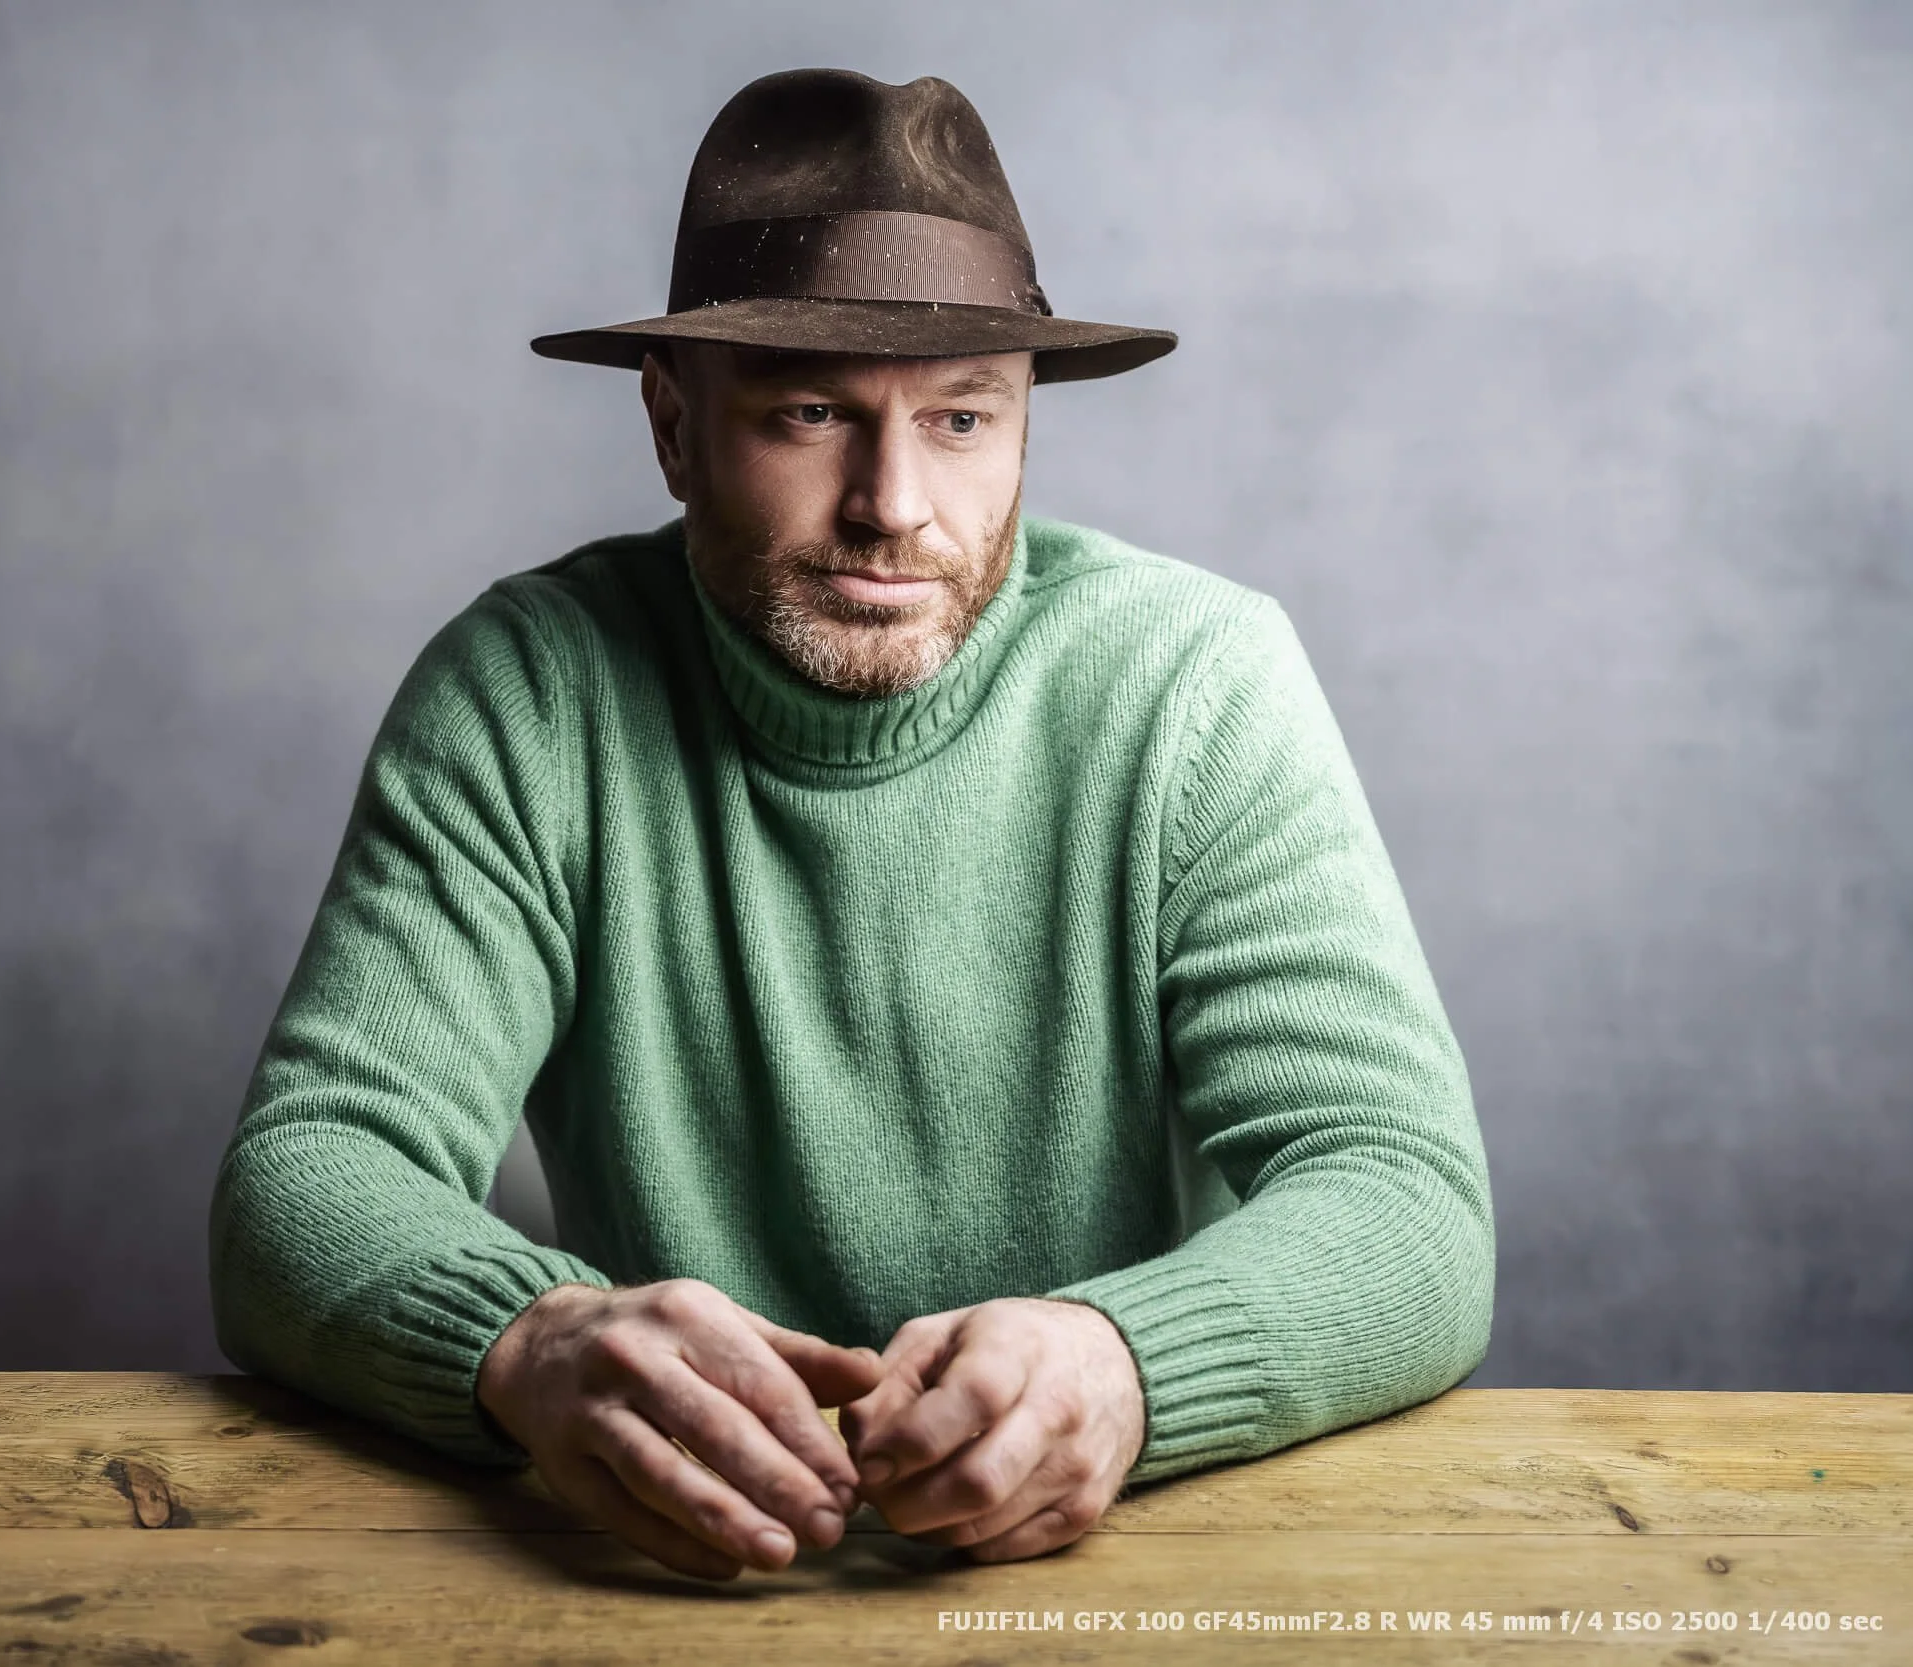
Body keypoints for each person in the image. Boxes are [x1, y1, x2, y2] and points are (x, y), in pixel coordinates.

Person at [208, 67, 1495, 1582]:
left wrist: (1126, 1363)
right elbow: (306, 1171)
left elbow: (1406, 1195)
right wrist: (533, 1337)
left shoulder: (1196, 685)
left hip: (1122, 1577)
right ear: (675, 428)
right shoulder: (530, 695)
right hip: (673, 1577)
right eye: (810, 411)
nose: (896, 503)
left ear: (1025, 427)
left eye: (962, 416)